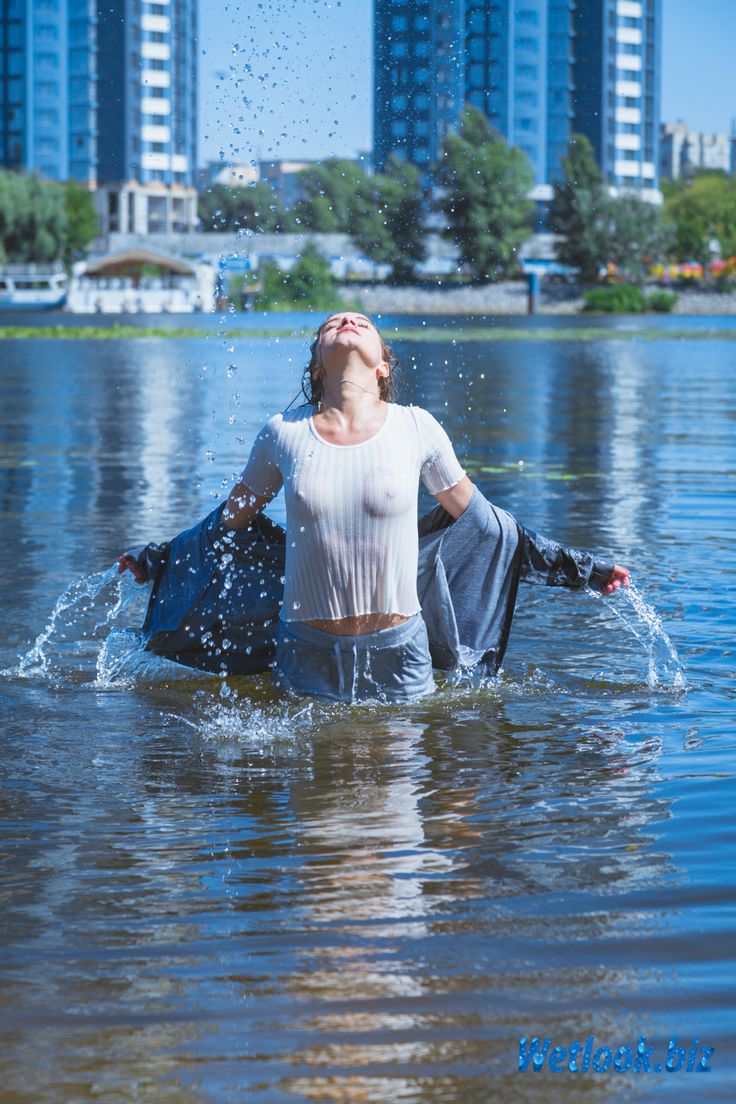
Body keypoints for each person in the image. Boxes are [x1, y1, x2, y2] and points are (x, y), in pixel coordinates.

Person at [121, 311, 628, 703]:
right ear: (317, 366)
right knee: (314, 823)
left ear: (383, 365)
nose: (347, 321)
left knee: (397, 813)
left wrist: (581, 569)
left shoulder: (417, 427)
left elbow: (489, 527)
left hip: (399, 650)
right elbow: (225, 529)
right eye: (331, 324)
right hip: (305, 650)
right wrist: (158, 558)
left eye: (362, 322)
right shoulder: (282, 433)